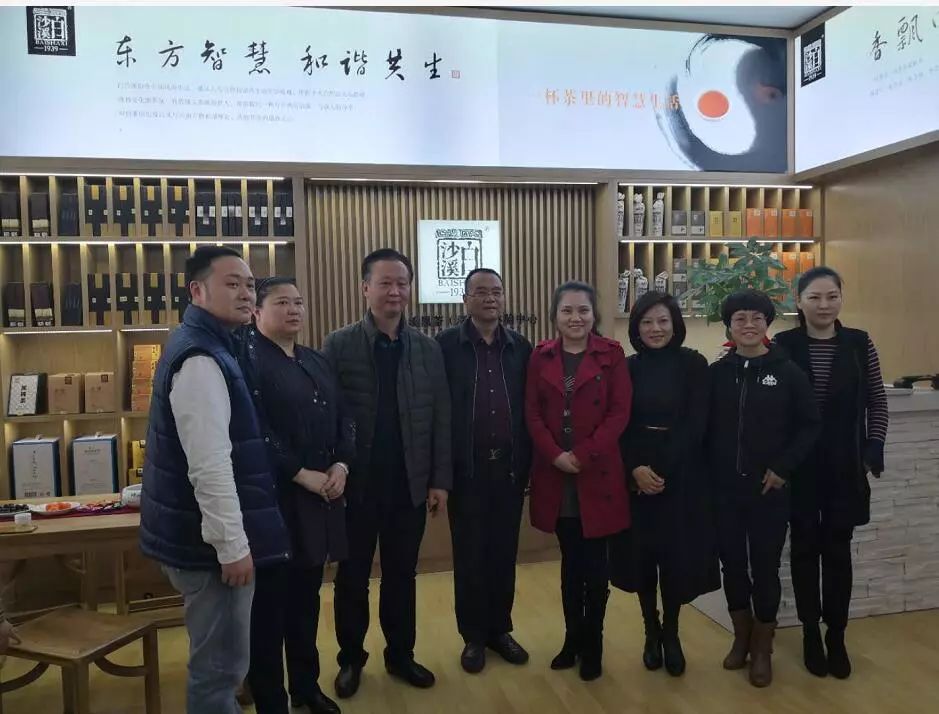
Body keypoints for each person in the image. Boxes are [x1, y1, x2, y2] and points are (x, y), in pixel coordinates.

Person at [139, 246, 289, 714]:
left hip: (201, 539)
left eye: (250, 284)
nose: (246, 293)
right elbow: (210, 465)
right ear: (197, 290)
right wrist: (232, 545)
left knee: (221, 668)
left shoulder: (217, 344)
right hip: (209, 550)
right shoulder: (201, 358)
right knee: (219, 673)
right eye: (232, 284)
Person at [322, 248, 451, 699]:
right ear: (365, 288)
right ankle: (350, 659)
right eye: (385, 283)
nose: (395, 291)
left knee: (402, 576)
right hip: (356, 487)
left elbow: (440, 418)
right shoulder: (339, 344)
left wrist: (439, 480)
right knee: (352, 577)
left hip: (408, 485)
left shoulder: (427, 348)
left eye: (402, 283)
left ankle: (400, 655)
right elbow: (328, 415)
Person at [241, 278, 353, 714]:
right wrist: (297, 472)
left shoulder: (315, 359)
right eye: (282, 302)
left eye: (299, 302)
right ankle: (271, 698)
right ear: (257, 312)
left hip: (319, 496)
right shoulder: (247, 361)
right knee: (269, 608)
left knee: (307, 599)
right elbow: (253, 429)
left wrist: (342, 463)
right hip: (272, 499)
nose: (294, 310)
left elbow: (345, 416)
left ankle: (306, 686)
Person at [774, 267, 888, 680]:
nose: (824, 305)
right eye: (815, 297)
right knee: (804, 550)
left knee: (838, 552)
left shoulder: (859, 342)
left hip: (845, 465)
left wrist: (872, 449)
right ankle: (809, 632)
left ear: (841, 298)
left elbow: (877, 400)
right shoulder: (783, 345)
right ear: (798, 301)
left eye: (832, 296)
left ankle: (836, 635)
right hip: (799, 466)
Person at [708, 289, 820, 688]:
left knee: (766, 567)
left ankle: (762, 649)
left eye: (757, 318)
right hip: (725, 491)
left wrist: (783, 467)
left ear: (767, 324)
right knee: (733, 566)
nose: (749, 325)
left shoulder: (787, 372)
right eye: (740, 319)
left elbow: (810, 425)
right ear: (729, 326)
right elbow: (704, 430)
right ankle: (741, 638)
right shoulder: (717, 374)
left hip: (769, 491)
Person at [525, 281, 632, 682]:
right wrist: (555, 454)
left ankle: (593, 644)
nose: (576, 318)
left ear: (594, 315)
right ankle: (572, 640)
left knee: (596, 567)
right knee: (570, 564)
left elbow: (619, 414)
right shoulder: (541, 356)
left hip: (597, 475)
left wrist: (583, 454)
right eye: (567, 310)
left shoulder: (612, 354)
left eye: (583, 310)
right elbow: (532, 414)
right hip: (557, 478)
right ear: (555, 316)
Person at [610, 292, 720, 677]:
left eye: (662, 321)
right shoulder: (626, 367)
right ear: (636, 328)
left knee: (675, 559)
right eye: (646, 322)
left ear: (675, 324)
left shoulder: (694, 364)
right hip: (636, 478)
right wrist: (635, 470)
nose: (655, 329)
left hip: (682, 475)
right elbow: (617, 424)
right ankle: (650, 629)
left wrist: (659, 471)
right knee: (642, 558)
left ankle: (671, 632)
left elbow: (696, 423)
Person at [436, 268, 533, 674]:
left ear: (504, 298)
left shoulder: (521, 347)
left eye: (496, 291)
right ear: (465, 300)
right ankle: (473, 637)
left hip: (508, 469)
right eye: (480, 292)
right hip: (467, 471)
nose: (490, 298)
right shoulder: (445, 346)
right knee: (470, 556)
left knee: (504, 554)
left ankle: (500, 630)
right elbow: (437, 412)